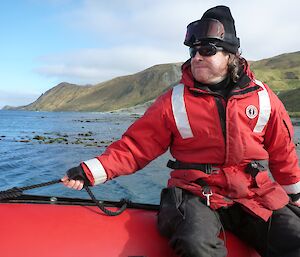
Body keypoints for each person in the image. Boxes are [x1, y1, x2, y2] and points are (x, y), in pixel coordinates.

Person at [62, 5, 300, 257]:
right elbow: (135, 148)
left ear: (231, 55)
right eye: (193, 50)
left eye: (207, 50)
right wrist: (90, 171)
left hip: (252, 194)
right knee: (196, 245)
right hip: (195, 194)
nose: (196, 57)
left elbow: (282, 151)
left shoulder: (264, 99)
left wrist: (294, 196)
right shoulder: (173, 102)